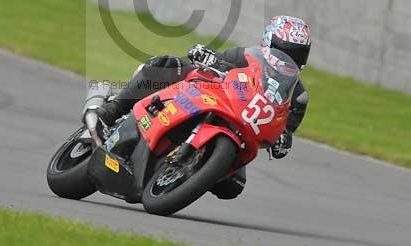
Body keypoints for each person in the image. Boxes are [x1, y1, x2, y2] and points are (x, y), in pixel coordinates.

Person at [88, 15, 312, 200]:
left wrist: (284, 139)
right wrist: (206, 56)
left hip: (238, 132)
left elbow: (286, 128)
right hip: (211, 98)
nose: (288, 58)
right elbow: (217, 61)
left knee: (232, 187)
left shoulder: (297, 95)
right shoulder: (245, 56)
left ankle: (187, 173)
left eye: (297, 54)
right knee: (166, 66)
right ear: (268, 42)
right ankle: (112, 110)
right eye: (283, 49)